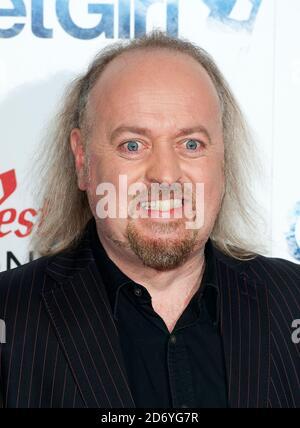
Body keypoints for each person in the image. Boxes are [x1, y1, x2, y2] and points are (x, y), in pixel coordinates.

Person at [0, 31, 299, 408]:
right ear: (81, 159)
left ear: (222, 159)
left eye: (191, 144)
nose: (165, 175)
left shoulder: (293, 304)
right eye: (132, 145)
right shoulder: (8, 315)